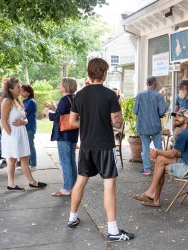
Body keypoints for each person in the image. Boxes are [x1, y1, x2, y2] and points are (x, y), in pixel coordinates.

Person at [67, 58, 134, 242]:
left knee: (80, 182)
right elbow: (118, 123)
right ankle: (113, 231)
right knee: (109, 185)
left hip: (87, 146)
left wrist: (88, 122)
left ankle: (72, 218)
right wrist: (111, 118)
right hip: (105, 146)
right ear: (104, 73)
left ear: (89, 73)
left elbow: (72, 122)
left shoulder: (79, 95)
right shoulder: (110, 95)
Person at [133, 109, 188, 207]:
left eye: (179, 116)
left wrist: (156, 151)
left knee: (160, 168)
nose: (176, 118)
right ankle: (152, 196)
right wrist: (159, 154)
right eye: (175, 116)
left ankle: (152, 195)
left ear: (186, 120)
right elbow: (180, 154)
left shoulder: (184, 134)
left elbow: (172, 154)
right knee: (160, 160)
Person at [1, 78, 47, 191]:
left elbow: (25, 119)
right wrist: (11, 136)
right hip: (12, 134)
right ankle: (21, 183)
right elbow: (3, 120)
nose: (20, 89)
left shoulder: (17, 100)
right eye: (18, 87)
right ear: (11, 89)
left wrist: (23, 122)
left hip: (21, 132)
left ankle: (23, 182)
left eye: (20, 87)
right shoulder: (7, 101)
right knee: (14, 159)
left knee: (22, 158)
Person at [43, 77, 79, 196]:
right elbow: (65, 114)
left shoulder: (64, 99)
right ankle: (73, 186)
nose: (59, 85)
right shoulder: (73, 98)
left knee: (65, 162)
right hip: (73, 133)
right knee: (71, 161)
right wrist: (54, 108)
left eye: (61, 84)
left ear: (66, 86)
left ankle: (67, 188)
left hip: (64, 134)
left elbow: (58, 117)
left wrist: (48, 113)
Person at [134, 76, 166, 175]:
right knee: (158, 148)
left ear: (146, 84)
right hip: (155, 125)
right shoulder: (159, 96)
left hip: (143, 126)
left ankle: (147, 169)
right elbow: (162, 112)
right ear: (155, 84)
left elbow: (135, 111)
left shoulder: (139, 95)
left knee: (145, 148)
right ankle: (160, 168)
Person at [21, 84, 38, 172]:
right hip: (24, 126)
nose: (21, 92)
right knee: (25, 146)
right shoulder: (24, 101)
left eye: (23, 91)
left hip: (30, 126)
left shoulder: (31, 101)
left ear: (28, 92)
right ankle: (26, 164)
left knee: (30, 145)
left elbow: (24, 113)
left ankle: (33, 164)